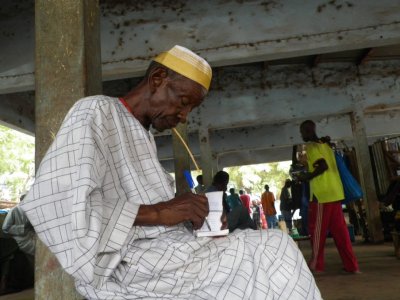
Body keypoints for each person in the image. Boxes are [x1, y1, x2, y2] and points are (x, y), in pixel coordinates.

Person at [20, 45, 321, 299]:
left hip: (168, 253)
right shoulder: (96, 111)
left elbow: (157, 210)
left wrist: (198, 218)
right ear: (158, 78)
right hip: (128, 264)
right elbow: (54, 203)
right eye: (183, 101)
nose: (184, 115)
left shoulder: (145, 135)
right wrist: (161, 212)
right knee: (273, 249)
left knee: (273, 247)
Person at [299, 120, 360, 274]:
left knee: (317, 233)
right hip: (336, 193)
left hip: (322, 195)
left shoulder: (312, 147)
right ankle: (352, 266)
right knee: (341, 233)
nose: (301, 135)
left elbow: (323, 166)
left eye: (302, 132)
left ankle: (316, 265)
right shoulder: (326, 146)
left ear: (308, 131)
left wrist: (307, 177)